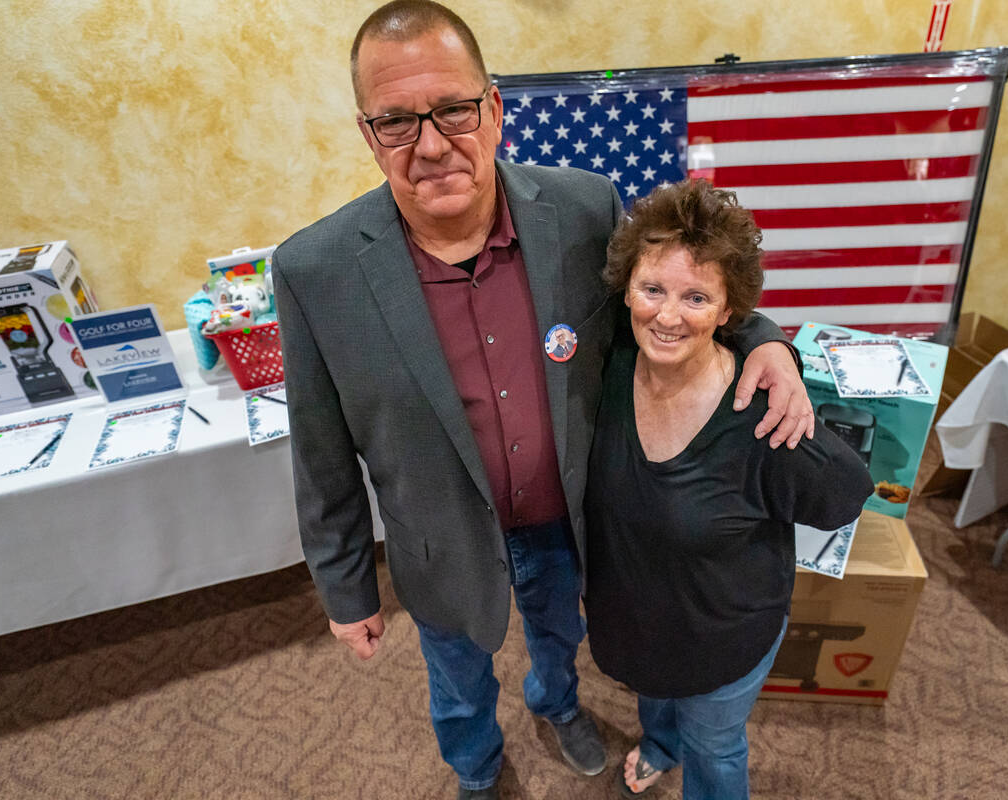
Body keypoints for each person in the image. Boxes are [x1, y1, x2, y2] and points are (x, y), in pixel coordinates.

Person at [272, 3, 815, 798]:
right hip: (441, 544)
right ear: (368, 134)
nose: (431, 144)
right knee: (456, 680)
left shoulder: (585, 208)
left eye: (453, 109)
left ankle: (556, 704)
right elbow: (319, 450)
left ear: (494, 109)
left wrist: (764, 338)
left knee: (559, 639)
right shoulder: (313, 271)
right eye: (397, 121)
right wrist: (345, 587)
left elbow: (673, 293)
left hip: (567, 521)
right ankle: (476, 770)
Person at [583, 179, 873, 799]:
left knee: (714, 747)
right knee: (655, 697)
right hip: (636, 621)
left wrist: (779, 358)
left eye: (696, 297)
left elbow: (845, 493)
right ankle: (660, 744)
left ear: (727, 312)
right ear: (626, 289)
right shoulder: (609, 363)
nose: (666, 316)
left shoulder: (762, 415)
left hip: (721, 636)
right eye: (652, 289)